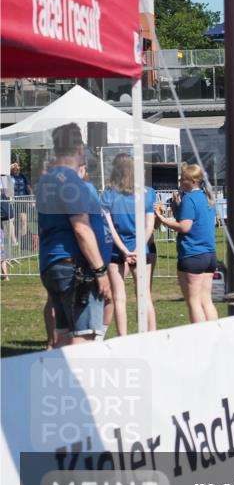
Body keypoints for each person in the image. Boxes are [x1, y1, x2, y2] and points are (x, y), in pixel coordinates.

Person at [35, 124, 113, 346]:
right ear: (79, 147)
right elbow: (81, 228)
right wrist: (100, 271)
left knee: (64, 335)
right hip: (75, 267)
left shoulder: (46, 180)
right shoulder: (70, 180)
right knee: (83, 338)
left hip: (53, 263)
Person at [101, 153, 158, 335]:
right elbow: (149, 225)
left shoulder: (108, 195)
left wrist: (125, 250)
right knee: (144, 296)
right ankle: (151, 335)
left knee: (119, 297)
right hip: (141, 249)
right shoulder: (148, 193)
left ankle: (123, 337)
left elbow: (109, 227)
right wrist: (138, 248)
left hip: (116, 250)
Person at [155, 163, 218, 323]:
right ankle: (214, 334)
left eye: (183, 179)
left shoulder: (189, 198)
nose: (180, 182)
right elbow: (192, 221)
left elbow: (184, 226)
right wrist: (177, 208)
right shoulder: (207, 198)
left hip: (192, 254)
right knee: (206, 300)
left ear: (192, 181)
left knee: (194, 302)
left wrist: (162, 219)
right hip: (209, 255)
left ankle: (199, 334)